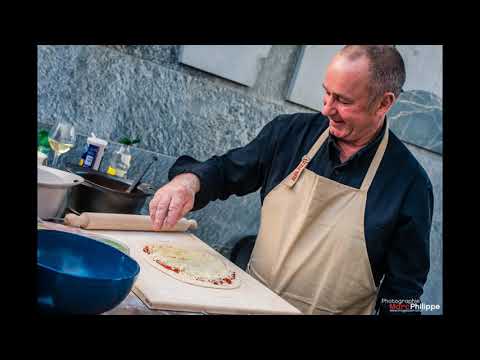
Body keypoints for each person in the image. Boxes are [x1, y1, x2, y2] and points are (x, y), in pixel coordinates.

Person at [149, 45, 433, 315]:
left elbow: (404, 296)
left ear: (384, 103)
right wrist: (188, 181)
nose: (327, 109)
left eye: (343, 101)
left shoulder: (410, 185)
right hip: (249, 308)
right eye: (327, 94)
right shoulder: (291, 134)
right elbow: (226, 171)